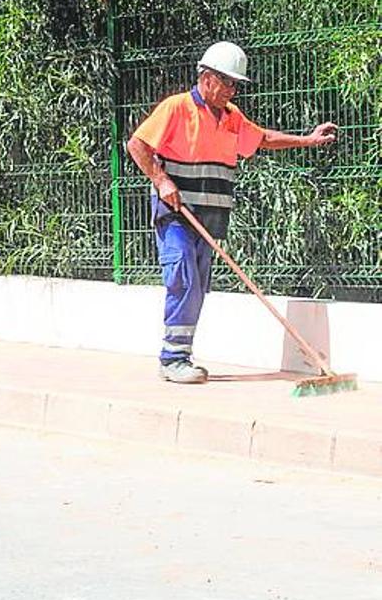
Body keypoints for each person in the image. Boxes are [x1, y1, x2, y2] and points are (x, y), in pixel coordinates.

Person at [125, 41, 337, 384]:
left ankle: (180, 354)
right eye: (228, 82)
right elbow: (137, 144)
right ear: (207, 78)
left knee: (198, 287)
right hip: (177, 213)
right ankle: (172, 358)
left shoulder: (231, 117)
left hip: (209, 219)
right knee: (183, 280)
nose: (232, 90)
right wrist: (161, 180)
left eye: (236, 84)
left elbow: (263, 139)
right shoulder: (176, 108)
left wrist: (307, 140)